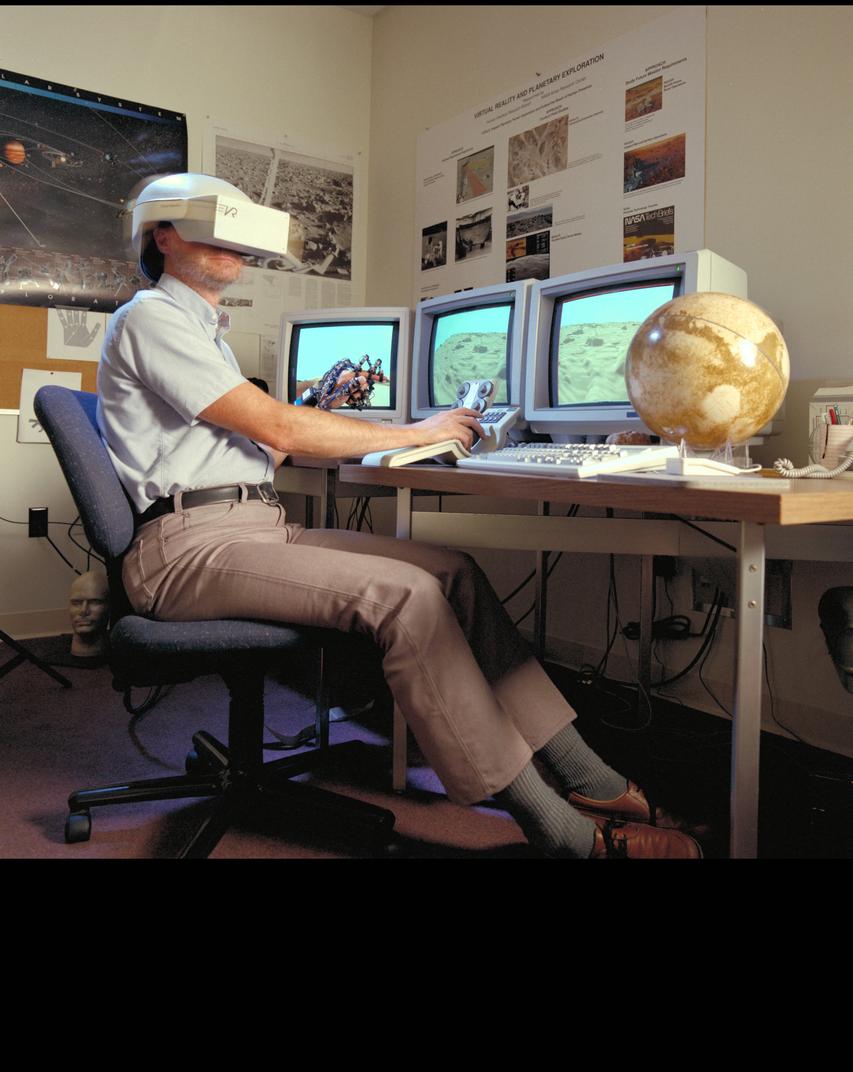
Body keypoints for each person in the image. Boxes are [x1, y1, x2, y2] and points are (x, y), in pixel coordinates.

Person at [97, 173, 702, 859]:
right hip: (185, 550)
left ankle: (591, 779)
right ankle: (560, 832)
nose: (232, 246)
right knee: (405, 597)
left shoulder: (206, 333)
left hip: (254, 526)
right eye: (211, 229)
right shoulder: (150, 316)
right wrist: (415, 432)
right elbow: (278, 430)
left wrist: (315, 423)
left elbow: (258, 435)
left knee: (454, 572)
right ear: (163, 236)